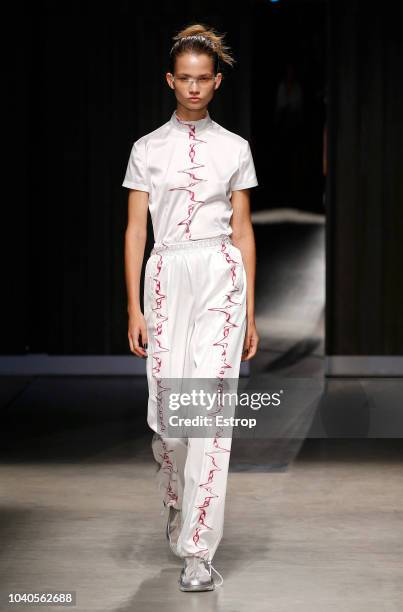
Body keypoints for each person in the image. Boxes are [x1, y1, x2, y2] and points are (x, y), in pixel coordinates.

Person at [122, 23, 259, 592]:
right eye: (186, 79)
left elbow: (245, 232)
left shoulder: (235, 148)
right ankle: (178, 502)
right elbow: (134, 232)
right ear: (170, 81)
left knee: (208, 421)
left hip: (220, 279)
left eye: (205, 79)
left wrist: (250, 312)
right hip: (166, 279)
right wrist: (133, 308)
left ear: (217, 81)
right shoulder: (146, 150)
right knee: (172, 425)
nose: (195, 88)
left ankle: (199, 550)